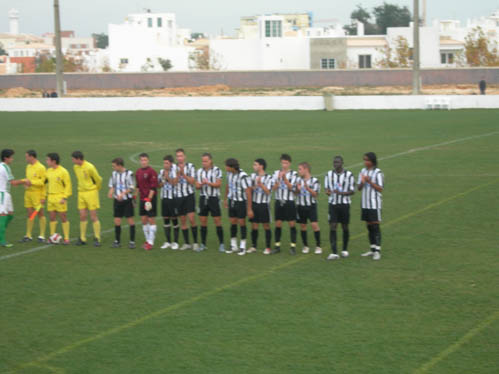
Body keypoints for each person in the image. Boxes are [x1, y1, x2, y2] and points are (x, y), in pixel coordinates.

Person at [324, 156, 355, 260]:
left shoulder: (349, 175)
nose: (335, 164)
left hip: (344, 205)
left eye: (337, 162)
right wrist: (328, 192)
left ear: (342, 163)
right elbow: (327, 190)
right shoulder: (328, 175)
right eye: (334, 162)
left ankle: (345, 250)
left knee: (345, 227)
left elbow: (352, 191)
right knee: (333, 226)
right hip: (333, 204)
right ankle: (334, 252)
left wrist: (341, 193)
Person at [72, 151, 103, 247]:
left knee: (93, 216)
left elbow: (99, 179)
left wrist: (95, 189)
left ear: (78, 159)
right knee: (82, 216)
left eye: (73, 159)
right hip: (81, 193)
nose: (72, 161)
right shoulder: (75, 167)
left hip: (91, 193)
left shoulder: (90, 167)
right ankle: (82, 238)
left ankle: (97, 238)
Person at [0, 149, 30, 247]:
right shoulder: (5, 167)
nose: (12, 159)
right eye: (11, 157)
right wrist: (24, 181)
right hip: (2, 194)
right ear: (6, 158)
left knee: (10, 215)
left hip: (7, 194)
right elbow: (13, 183)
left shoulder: (2, 166)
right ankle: (2, 240)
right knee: (3, 215)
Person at [358, 152, 384, 261]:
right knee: (369, 226)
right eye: (364, 160)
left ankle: (377, 251)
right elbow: (359, 188)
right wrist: (363, 182)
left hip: (374, 204)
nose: (365, 162)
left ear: (372, 161)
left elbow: (380, 188)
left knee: (375, 226)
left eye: (367, 160)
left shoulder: (378, 173)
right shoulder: (362, 172)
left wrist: (370, 181)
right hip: (365, 204)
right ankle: (372, 248)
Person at [195, 152, 224, 252]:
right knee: (203, 221)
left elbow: (218, 184)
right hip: (203, 198)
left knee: (217, 221)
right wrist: (202, 184)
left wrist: (208, 183)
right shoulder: (199, 171)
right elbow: (197, 186)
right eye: (203, 161)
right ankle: (203, 244)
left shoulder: (217, 170)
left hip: (214, 198)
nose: (204, 163)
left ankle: (221, 244)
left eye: (206, 161)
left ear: (210, 160)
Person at [224, 158, 253, 255]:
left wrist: (249, 209)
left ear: (232, 167)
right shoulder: (229, 174)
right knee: (232, 223)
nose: (225, 168)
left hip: (240, 202)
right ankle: (233, 245)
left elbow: (248, 192)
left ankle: (243, 246)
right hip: (232, 201)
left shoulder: (243, 176)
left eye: (227, 166)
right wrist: (225, 199)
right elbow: (228, 186)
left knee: (242, 223)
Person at [272, 154, 298, 255]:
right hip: (279, 201)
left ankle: (293, 246)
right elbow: (272, 189)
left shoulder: (294, 174)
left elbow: (293, 188)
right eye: (283, 163)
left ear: (289, 163)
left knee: (291, 224)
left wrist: (285, 179)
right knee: (278, 224)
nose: (284, 165)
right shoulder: (276, 173)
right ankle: (277, 246)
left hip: (289, 202)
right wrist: (278, 180)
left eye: (286, 163)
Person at [108, 158, 136, 249]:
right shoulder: (114, 174)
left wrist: (123, 193)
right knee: (117, 220)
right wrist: (111, 191)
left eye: (114, 166)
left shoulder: (129, 174)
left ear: (119, 165)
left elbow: (132, 188)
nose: (113, 168)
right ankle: (117, 241)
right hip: (117, 201)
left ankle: (132, 241)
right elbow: (113, 185)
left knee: (130, 220)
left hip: (127, 200)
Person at [173, 148, 198, 250]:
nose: (179, 158)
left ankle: (195, 242)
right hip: (178, 196)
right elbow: (173, 183)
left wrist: (184, 174)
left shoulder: (191, 166)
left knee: (191, 218)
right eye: (178, 156)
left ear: (185, 156)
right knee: (182, 220)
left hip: (189, 195)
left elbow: (192, 181)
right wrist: (178, 175)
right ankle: (187, 243)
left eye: (181, 156)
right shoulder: (173, 168)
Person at [20, 150, 47, 243]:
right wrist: (24, 183)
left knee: (40, 213)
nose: (26, 158)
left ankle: (42, 235)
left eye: (27, 156)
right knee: (30, 214)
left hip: (37, 194)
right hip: (28, 194)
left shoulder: (41, 168)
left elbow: (43, 182)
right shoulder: (28, 167)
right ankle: (28, 235)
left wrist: (43, 196)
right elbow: (28, 179)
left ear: (32, 157)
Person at [45, 153, 72, 245]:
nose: (46, 161)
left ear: (54, 161)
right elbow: (45, 183)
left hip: (60, 197)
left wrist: (64, 197)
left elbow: (68, 185)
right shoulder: (48, 171)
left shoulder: (63, 171)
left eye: (48, 160)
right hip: (50, 197)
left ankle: (67, 238)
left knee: (63, 217)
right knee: (52, 217)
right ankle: (52, 237)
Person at [249, 158, 274, 255]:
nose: (253, 166)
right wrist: (253, 187)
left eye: (255, 164)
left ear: (261, 166)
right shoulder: (252, 176)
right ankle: (253, 246)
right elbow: (249, 190)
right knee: (254, 225)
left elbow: (268, 192)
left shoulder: (269, 178)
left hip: (264, 205)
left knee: (266, 225)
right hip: (254, 204)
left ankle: (267, 247)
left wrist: (260, 184)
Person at [296, 162, 322, 255]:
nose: (298, 171)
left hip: (311, 206)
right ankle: (305, 245)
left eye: (300, 169)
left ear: (306, 169)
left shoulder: (315, 181)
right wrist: (298, 190)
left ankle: (318, 246)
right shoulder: (298, 180)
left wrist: (308, 188)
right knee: (303, 225)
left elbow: (315, 194)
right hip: (300, 205)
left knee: (314, 225)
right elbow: (295, 193)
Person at [135, 153, 158, 251]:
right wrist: (134, 196)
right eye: (142, 160)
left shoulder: (152, 172)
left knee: (151, 220)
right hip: (142, 199)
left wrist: (149, 200)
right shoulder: (138, 172)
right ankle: (147, 240)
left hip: (150, 199)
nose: (143, 162)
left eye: (145, 160)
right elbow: (138, 186)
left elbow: (153, 188)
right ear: (140, 161)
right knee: (144, 220)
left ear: (148, 160)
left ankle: (151, 242)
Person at [158, 155, 180, 250]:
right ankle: (168, 241)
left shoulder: (174, 171)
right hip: (164, 198)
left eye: (167, 163)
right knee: (166, 219)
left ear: (171, 163)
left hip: (173, 199)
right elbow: (158, 185)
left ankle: (175, 242)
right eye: (164, 163)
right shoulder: (161, 172)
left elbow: (175, 183)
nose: (165, 165)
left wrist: (167, 178)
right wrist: (162, 181)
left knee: (174, 219)